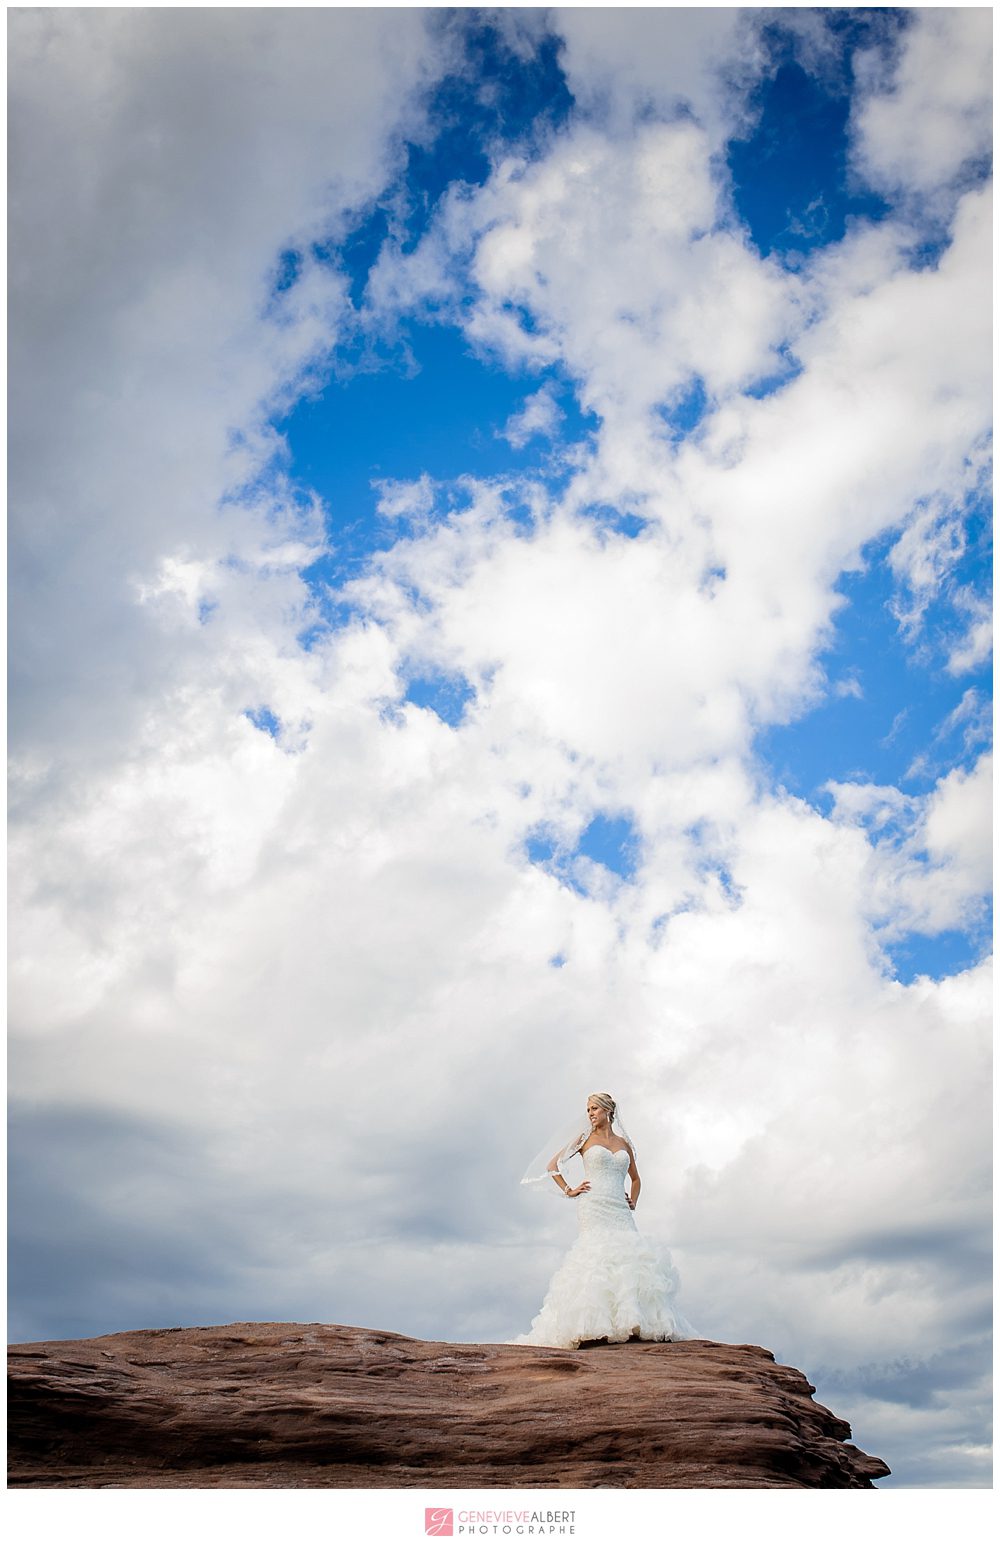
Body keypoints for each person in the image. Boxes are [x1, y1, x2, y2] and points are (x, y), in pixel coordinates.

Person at [510, 1092, 696, 1349]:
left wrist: (634, 1200)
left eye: (594, 1109)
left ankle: (630, 1321)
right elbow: (552, 1165)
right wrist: (569, 1190)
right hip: (593, 1203)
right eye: (588, 1110)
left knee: (628, 1256)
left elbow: (636, 1179)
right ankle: (592, 1324)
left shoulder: (623, 1143)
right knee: (596, 1257)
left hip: (619, 1208)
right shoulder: (585, 1139)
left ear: (608, 1111)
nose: (590, 1114)